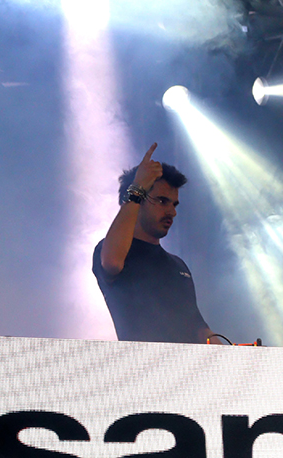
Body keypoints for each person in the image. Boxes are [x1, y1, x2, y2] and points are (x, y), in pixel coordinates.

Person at [92, 143, 221, 344]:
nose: (172, 212)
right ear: (138, 199)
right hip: (144, 362)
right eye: (162, 201)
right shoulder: (110, 250)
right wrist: (137, 188)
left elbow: (199, 327)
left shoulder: (178, 265)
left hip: (188, 363)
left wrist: (235, 357)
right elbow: (112, 263)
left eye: (174, 204)